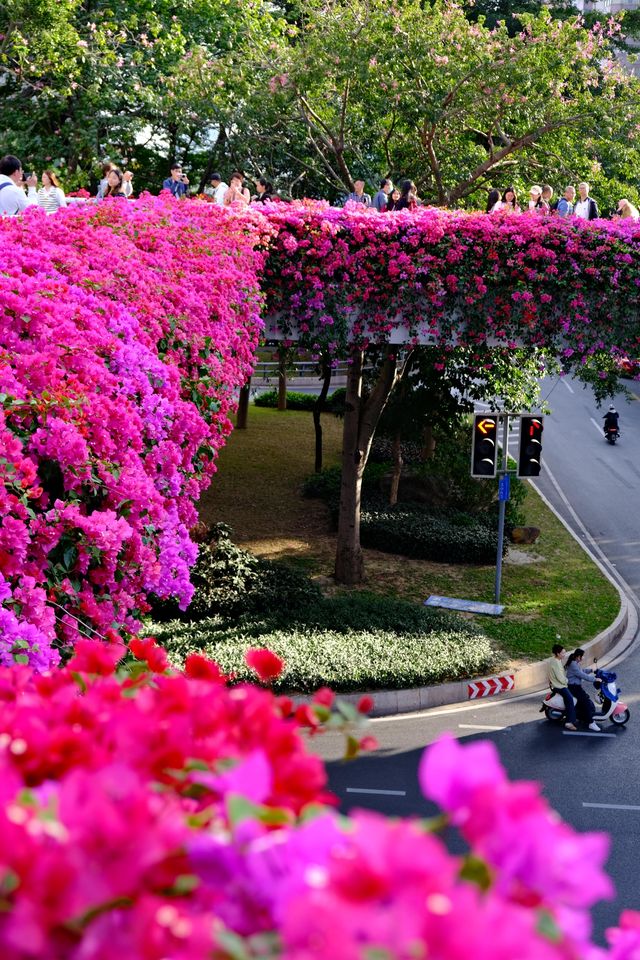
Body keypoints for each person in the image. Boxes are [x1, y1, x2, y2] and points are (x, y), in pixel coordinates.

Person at [566, 649, 600, 731]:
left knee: (585, 700)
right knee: (586, 703)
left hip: (576, 687)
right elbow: (582, 675)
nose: (583, 657)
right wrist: (595, 679)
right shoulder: (573, 664)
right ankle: (591, 723)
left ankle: (584, 717)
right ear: (578, 657)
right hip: (574, 688)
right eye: (582, 656)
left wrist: (591, 670)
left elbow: (582, 671)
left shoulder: (575, 662)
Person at [548, 644, 577, 731]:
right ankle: (569, 722)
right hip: (559, 686)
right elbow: (560, 678)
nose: (564, 655)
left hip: (559, 684)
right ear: (558, 653)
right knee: (570, 699)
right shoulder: (556, 663)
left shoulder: (555, 660)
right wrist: (567, 681)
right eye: (563, 653)